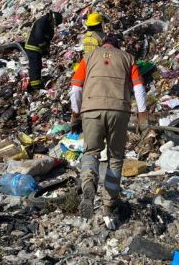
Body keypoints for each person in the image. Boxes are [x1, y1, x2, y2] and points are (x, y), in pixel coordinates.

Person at [70, 35, 148, 227]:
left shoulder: (88, 57)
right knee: (115, 158)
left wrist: (75, 114)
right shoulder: (128, 58)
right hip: (119, 111)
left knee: (91, 152)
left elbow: (76, 88)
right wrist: (142, 115)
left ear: (103, 44)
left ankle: (89, 184)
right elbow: (139, 88)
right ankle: (108, 205)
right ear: (117, 46)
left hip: (91, 110)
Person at [23, 10, 63, 92]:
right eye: (55, 24)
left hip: (36, 47)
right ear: (53, 19)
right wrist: (44, 46)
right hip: (32, 46)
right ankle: (35, 85)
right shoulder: (42, 22)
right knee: (35, 65)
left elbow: (48, 37)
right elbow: (39, 36)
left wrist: (46, 48)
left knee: (38, 64)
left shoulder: (47, 23)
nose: (54, 26)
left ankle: (36, 82)